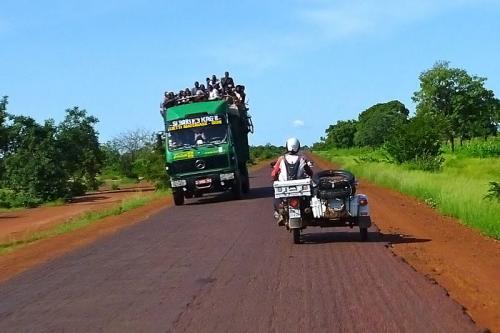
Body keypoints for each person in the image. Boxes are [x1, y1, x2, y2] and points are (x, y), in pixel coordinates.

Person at [271, 137, 313, 225]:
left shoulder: (281, 159)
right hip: (300, 187)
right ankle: (307, 210)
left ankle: (279, 212)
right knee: (310, 194)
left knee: (276, 195)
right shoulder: (302, 159)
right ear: (298, 146)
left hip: (284, 187)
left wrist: (274, 179)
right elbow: (309, 172)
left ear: (287, 146)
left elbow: (273, 174)